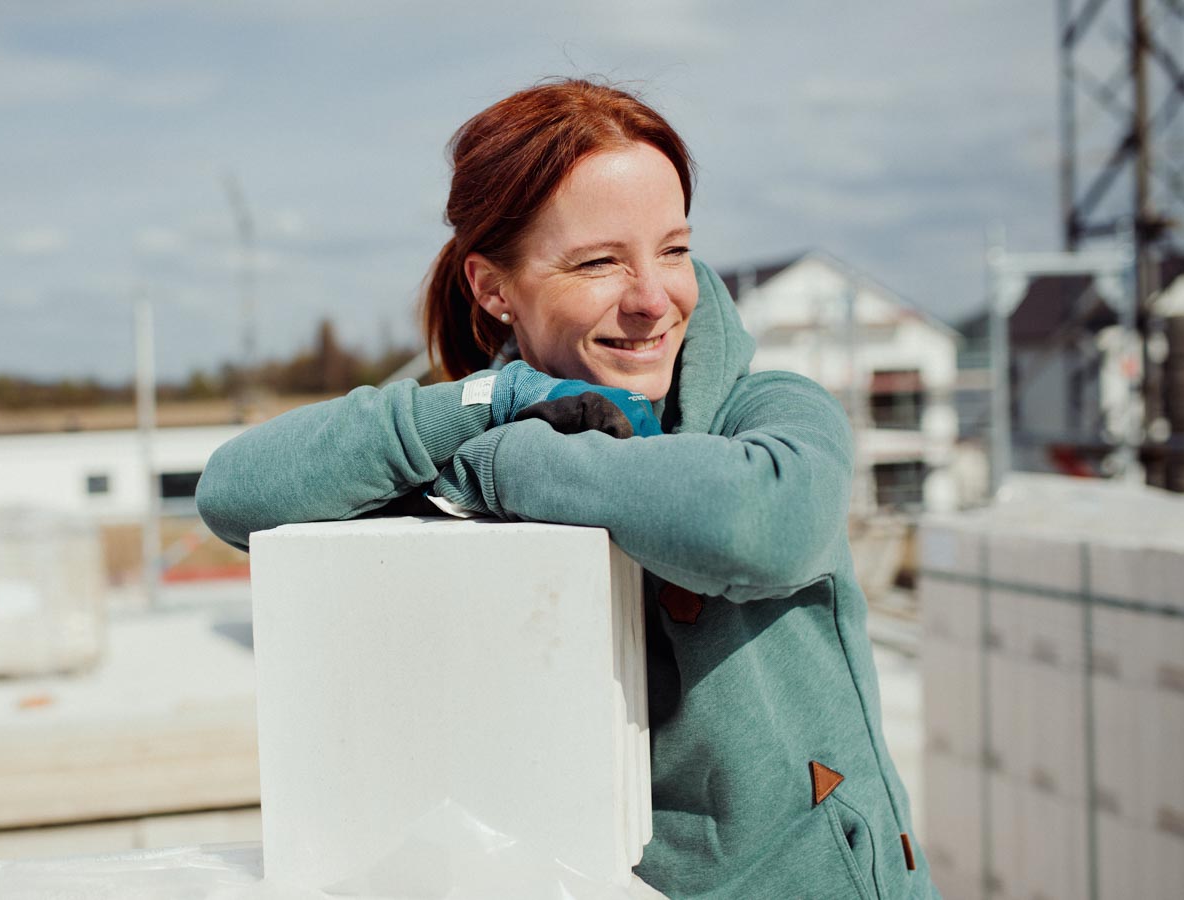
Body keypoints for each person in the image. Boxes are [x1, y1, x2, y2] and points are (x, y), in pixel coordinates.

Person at [197, 78, 937, 899]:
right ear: (492, 288)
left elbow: (757, 527)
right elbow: (234, 492)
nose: (654, 299)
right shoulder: (482, 428)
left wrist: (510, 469)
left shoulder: (769, 415)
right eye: (599, 262)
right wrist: (498, 402)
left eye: (674, 249)